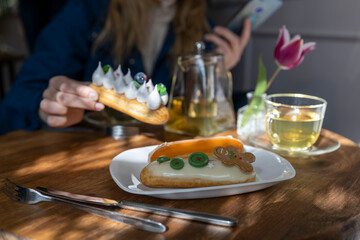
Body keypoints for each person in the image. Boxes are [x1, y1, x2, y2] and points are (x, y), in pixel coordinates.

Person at [0, 0, 250, 134]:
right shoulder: (90, 8)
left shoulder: (204, 28)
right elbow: (21, 95)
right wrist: (50, 108)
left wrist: (212, 76)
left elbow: (184, 119)